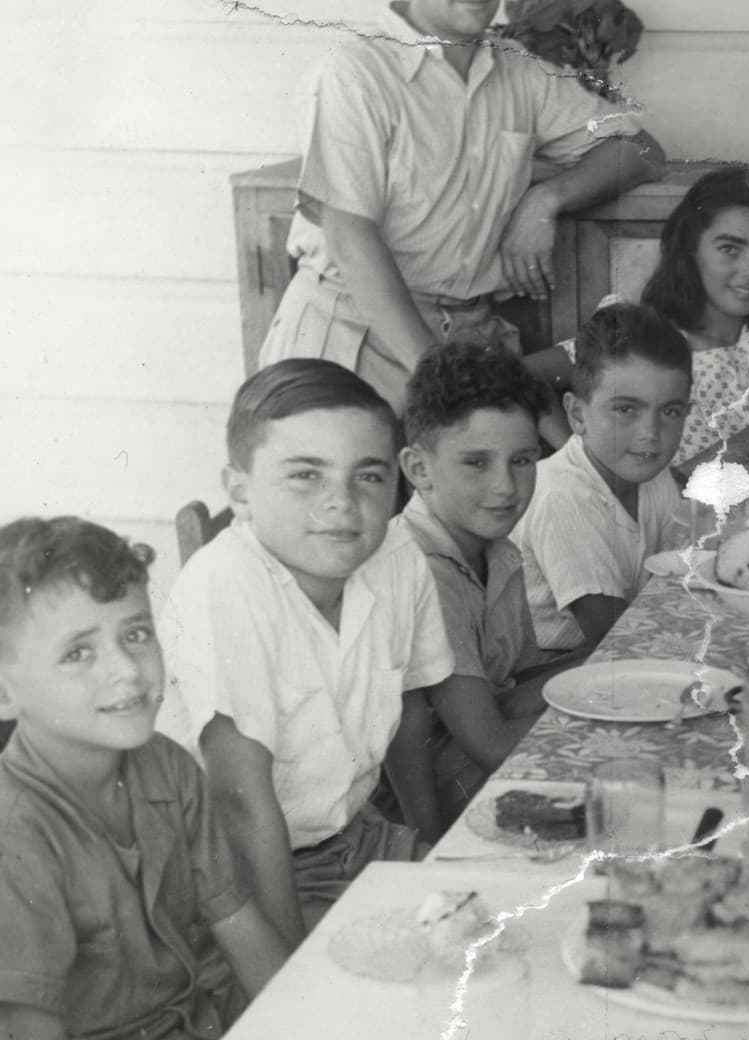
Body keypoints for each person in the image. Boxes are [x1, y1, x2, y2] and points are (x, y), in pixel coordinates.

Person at [259, 0, 666, 412]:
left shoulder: (520, 73)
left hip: (465, 337)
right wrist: (441, 380)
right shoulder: (357, 71)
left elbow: (641, 150)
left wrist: (547, 199)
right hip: (350, 338)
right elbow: (352, 240)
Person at [157, 360, 455, 947]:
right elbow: (242, 805)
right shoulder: (229, 584)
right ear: (240, 491)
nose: (341, 503)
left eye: (367, 477)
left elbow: (409, 717)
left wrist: (430, 853)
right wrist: (292, 974)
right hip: (234, 877)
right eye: (306, 476)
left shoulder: (397, 556)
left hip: (355, 840)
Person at [0, 517, 288, 1040]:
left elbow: (239, 922)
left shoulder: (167, 767)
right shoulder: (13, 836)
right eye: (78, 652)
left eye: (135, 634)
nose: (128, 670)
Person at [526, 166, 749, 479]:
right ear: (690, 250)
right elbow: (522, 376)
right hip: (649, 510)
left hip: (738, 502)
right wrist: (582, 459)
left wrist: (680, 480)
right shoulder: (641, 329)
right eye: (730, 249)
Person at [395, 343, 562, 824]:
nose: (506, 487)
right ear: (418, 469)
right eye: (477, 463)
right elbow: (490, 744)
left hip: (476, 760)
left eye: (523, 460)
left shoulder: (498, 549)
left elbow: (519, 688)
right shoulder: (422, 570)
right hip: (431, 802)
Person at [514, 303, 691, 656]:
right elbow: (616, 639)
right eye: (626, 409)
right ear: (577, 414)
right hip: (549, 670)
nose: (650, 434)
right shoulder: (562, 496)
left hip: (617, 648)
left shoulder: (649, 474)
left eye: (670, 412)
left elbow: (680, 583)